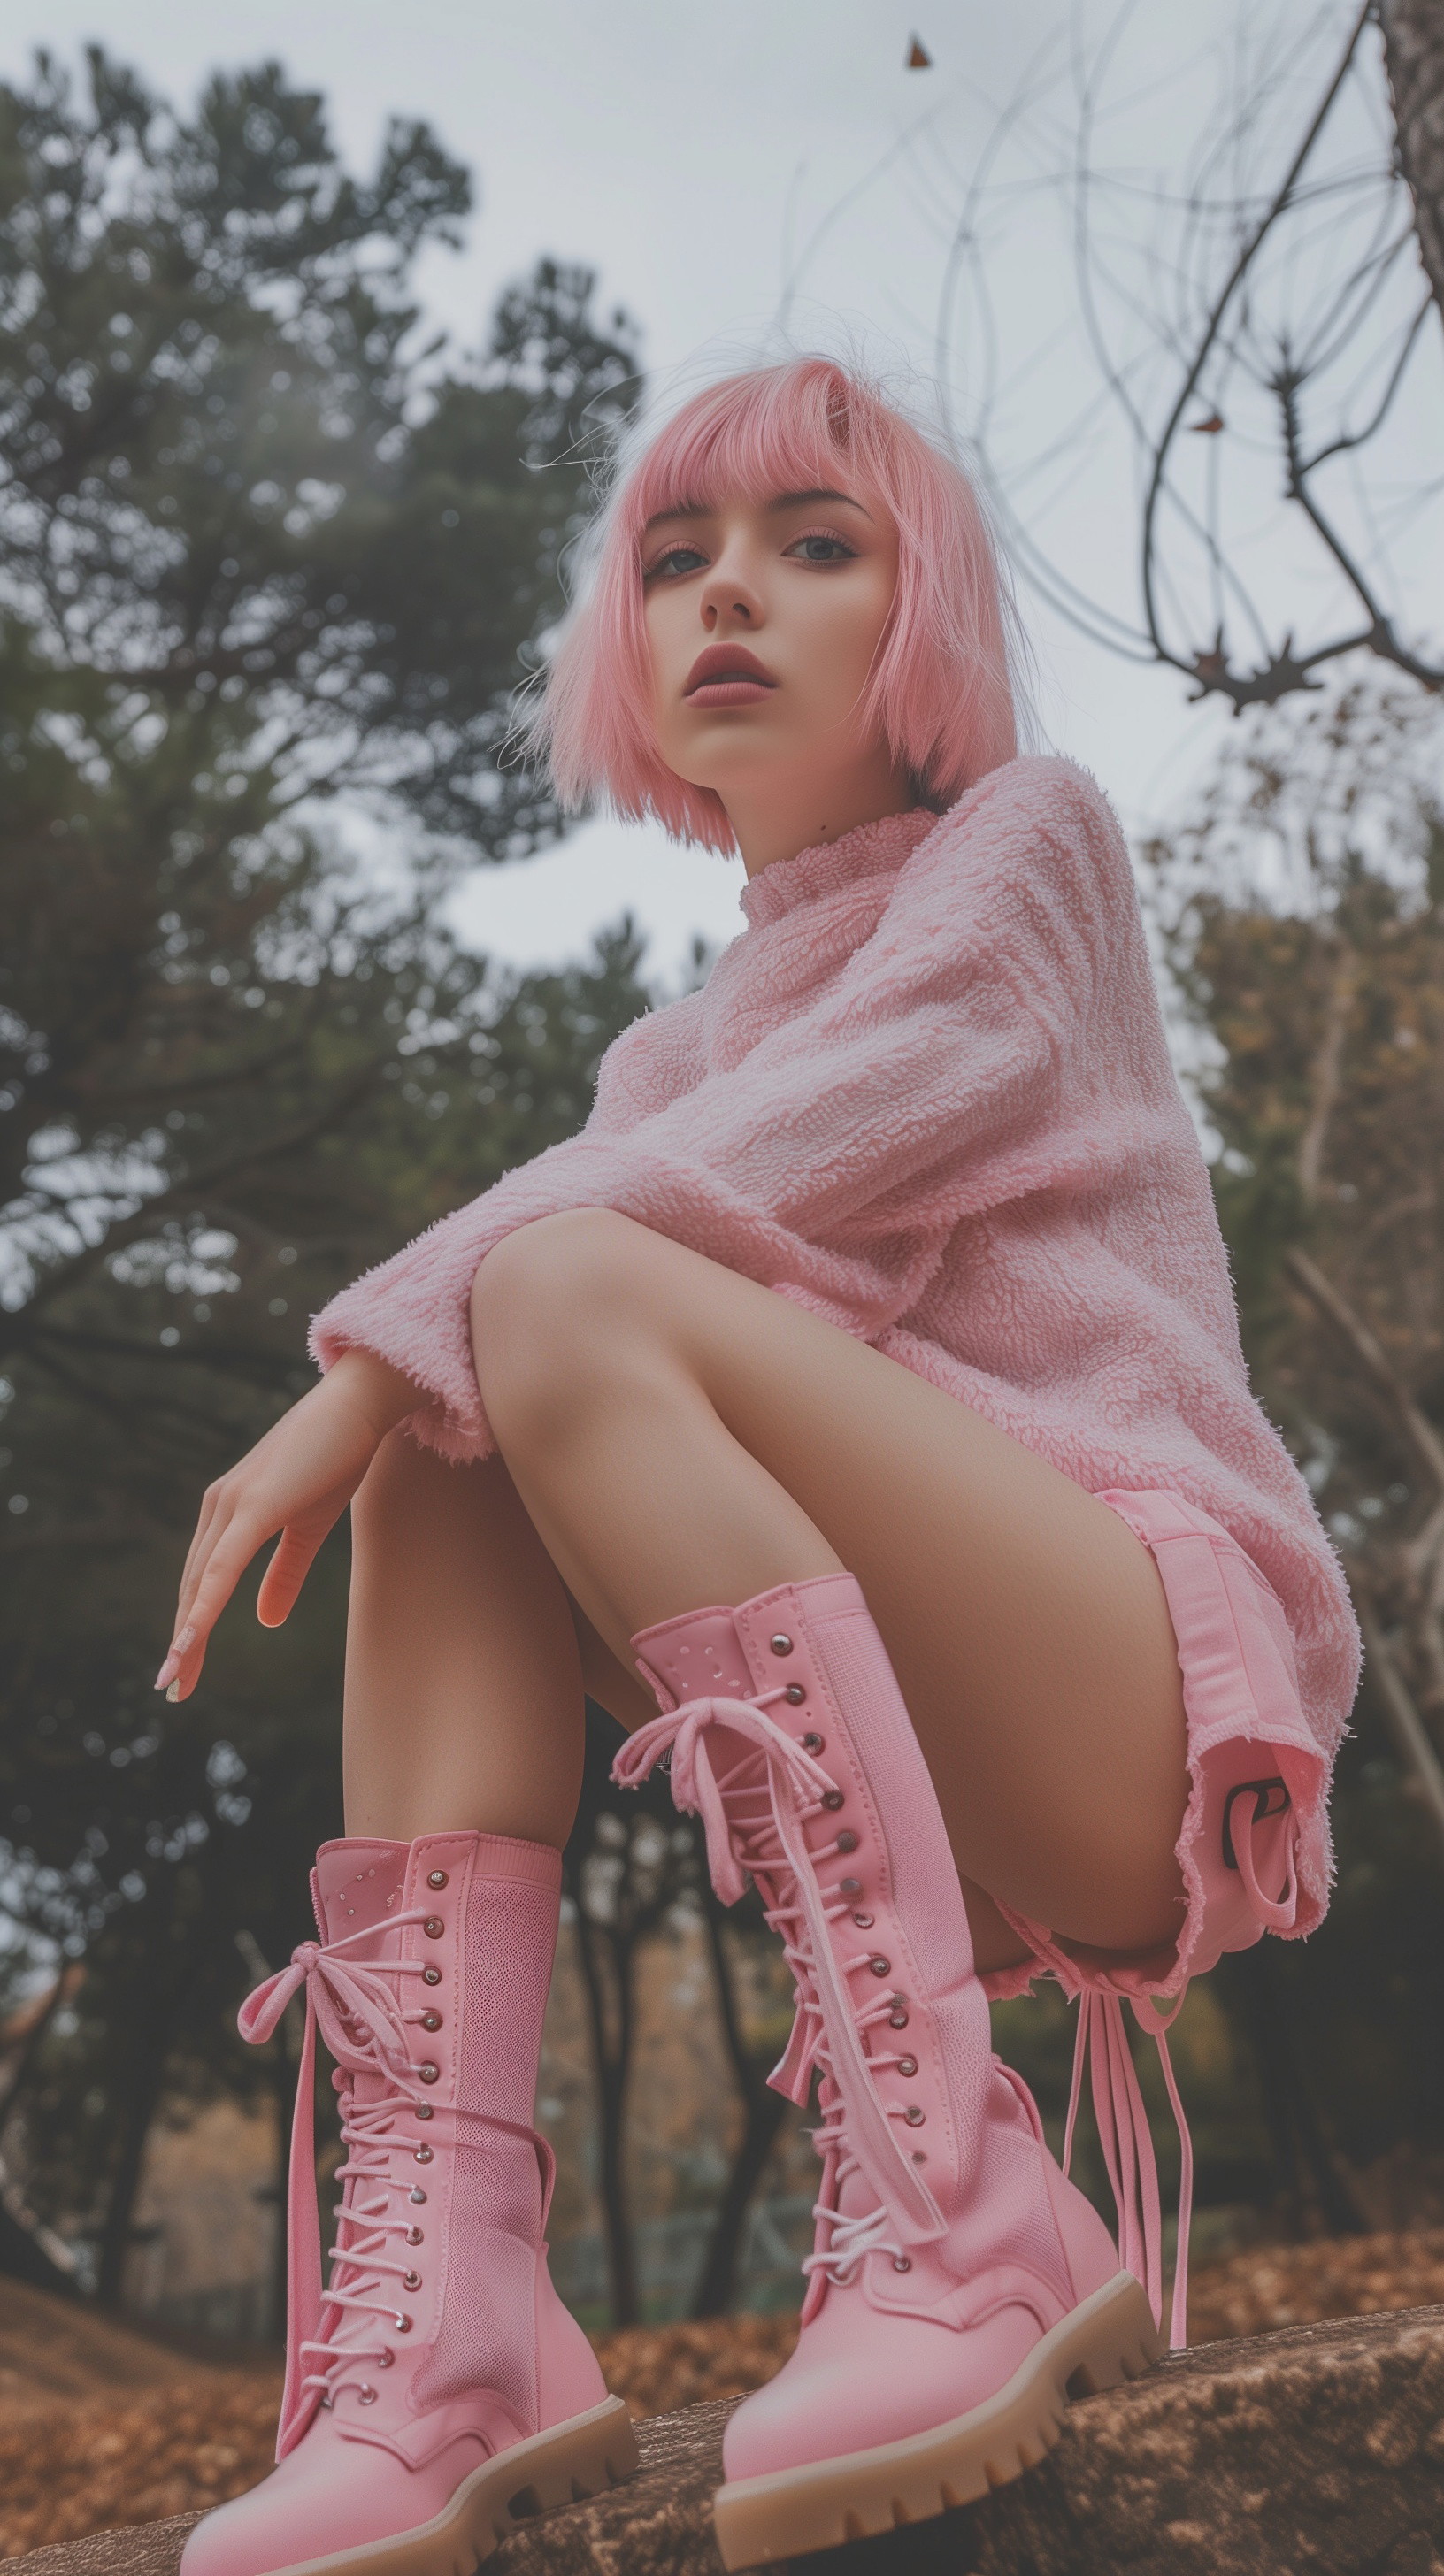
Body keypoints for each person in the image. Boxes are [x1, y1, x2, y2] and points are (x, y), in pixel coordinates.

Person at [166, 356, 1358, 2576]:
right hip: (957, 1736)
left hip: (1135, 1669)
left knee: (522, 1305)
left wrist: (355, 1353)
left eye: (818, 549)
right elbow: (635, 1206)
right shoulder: (672, 1057)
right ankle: (458, 2322)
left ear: (926, 628)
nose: (733, 595)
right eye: (676, 558)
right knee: (466, 1421)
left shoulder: (1034, 848)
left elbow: (803, 1144)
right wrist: (406, 1377)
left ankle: (954, 2186)